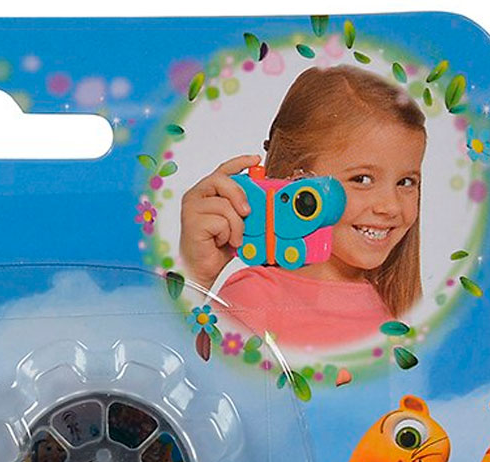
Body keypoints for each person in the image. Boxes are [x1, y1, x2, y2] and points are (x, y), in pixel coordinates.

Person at [179, 65, 426, 349]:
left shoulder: (391, 306)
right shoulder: (256, 298)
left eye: (406, 182)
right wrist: (196, 276)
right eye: (362, 179)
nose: (391, 206)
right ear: (297, 181)